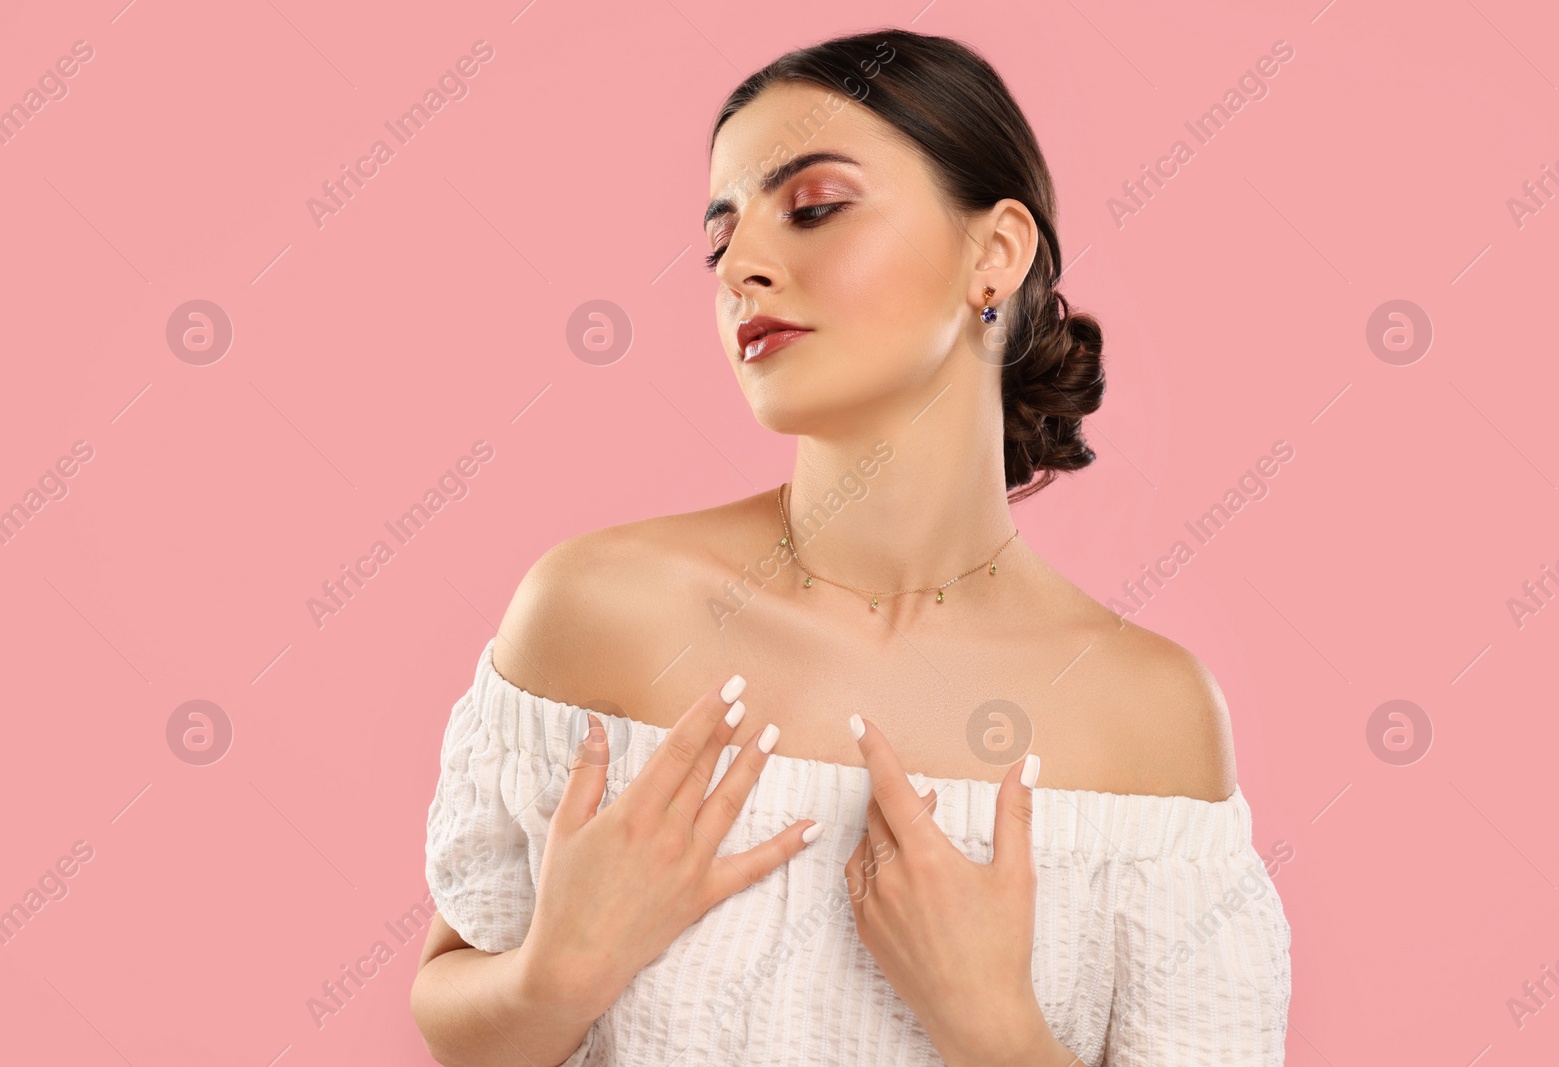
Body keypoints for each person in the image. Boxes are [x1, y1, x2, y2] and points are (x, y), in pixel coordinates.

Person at [410, 27, 1291, 1067]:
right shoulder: (599, 608)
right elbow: (459, 1014)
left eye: (815, 207)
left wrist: (992, 1026)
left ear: (994, 253)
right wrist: (554, 973)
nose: (741, 265)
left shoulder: (1147, 714)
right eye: (718, 239)